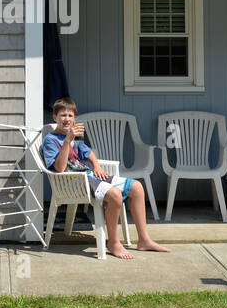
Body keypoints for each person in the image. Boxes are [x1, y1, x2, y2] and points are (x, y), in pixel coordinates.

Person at [41, 97, 170, 259]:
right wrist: (68, 140)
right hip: (73, 182)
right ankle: (113, 243)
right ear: (54, 117)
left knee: (137, 187)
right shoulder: (50, 141)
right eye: (62, 115)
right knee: (115, 194)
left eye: (70, 116)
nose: (67, 119)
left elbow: (89, 153)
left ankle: (144, 240)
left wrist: (96, 166)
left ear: (74, 118)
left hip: (89, 177)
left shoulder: (75, 138)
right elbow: (59, 168)